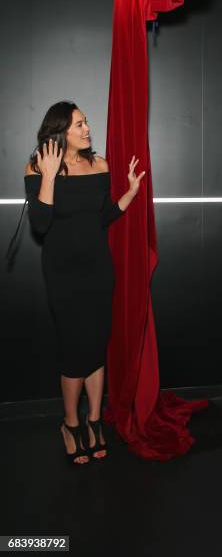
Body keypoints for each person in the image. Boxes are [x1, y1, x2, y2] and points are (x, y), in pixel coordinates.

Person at [24, 101, 145, 464]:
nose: (87, 128)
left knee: (95, 346)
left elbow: (103, 216)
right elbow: (40, 225)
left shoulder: (100, 164)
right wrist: (48, 176)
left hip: (97, 271)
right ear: (61, 130)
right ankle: (70, 423)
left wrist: (130, 192)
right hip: (63, 275)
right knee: (74, 351)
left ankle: (95, 421)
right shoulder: (37, 167)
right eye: (79, 124)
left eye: (86, 122)